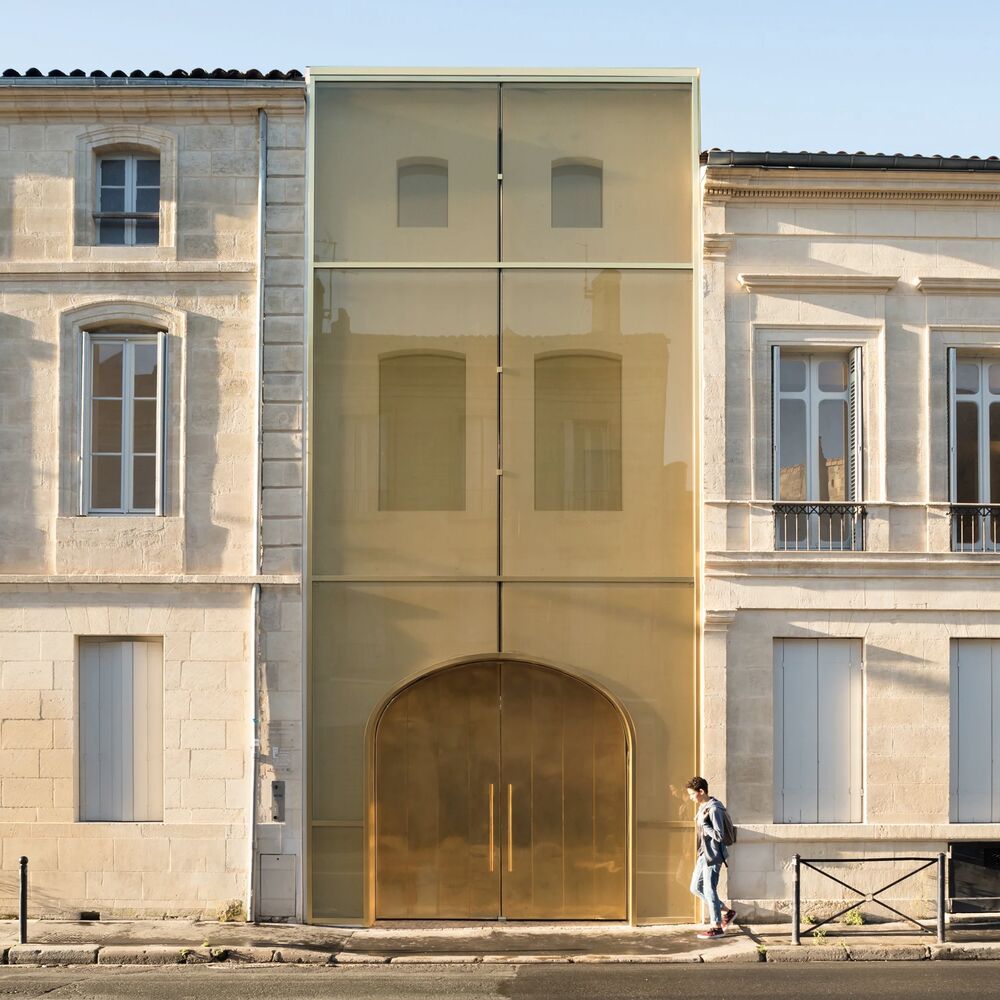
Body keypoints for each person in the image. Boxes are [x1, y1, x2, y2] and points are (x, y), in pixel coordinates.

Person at [686, 776, 736, 939]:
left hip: (714, 854)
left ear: (701, 791)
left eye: (693, 794)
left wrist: (704, 824)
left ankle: (716, 926)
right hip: (703, 854)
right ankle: (727, 913)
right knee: (695, 888)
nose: (691, 798)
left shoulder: (714, 808)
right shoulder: (703, 807)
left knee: (709, 889)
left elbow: (719, 835)